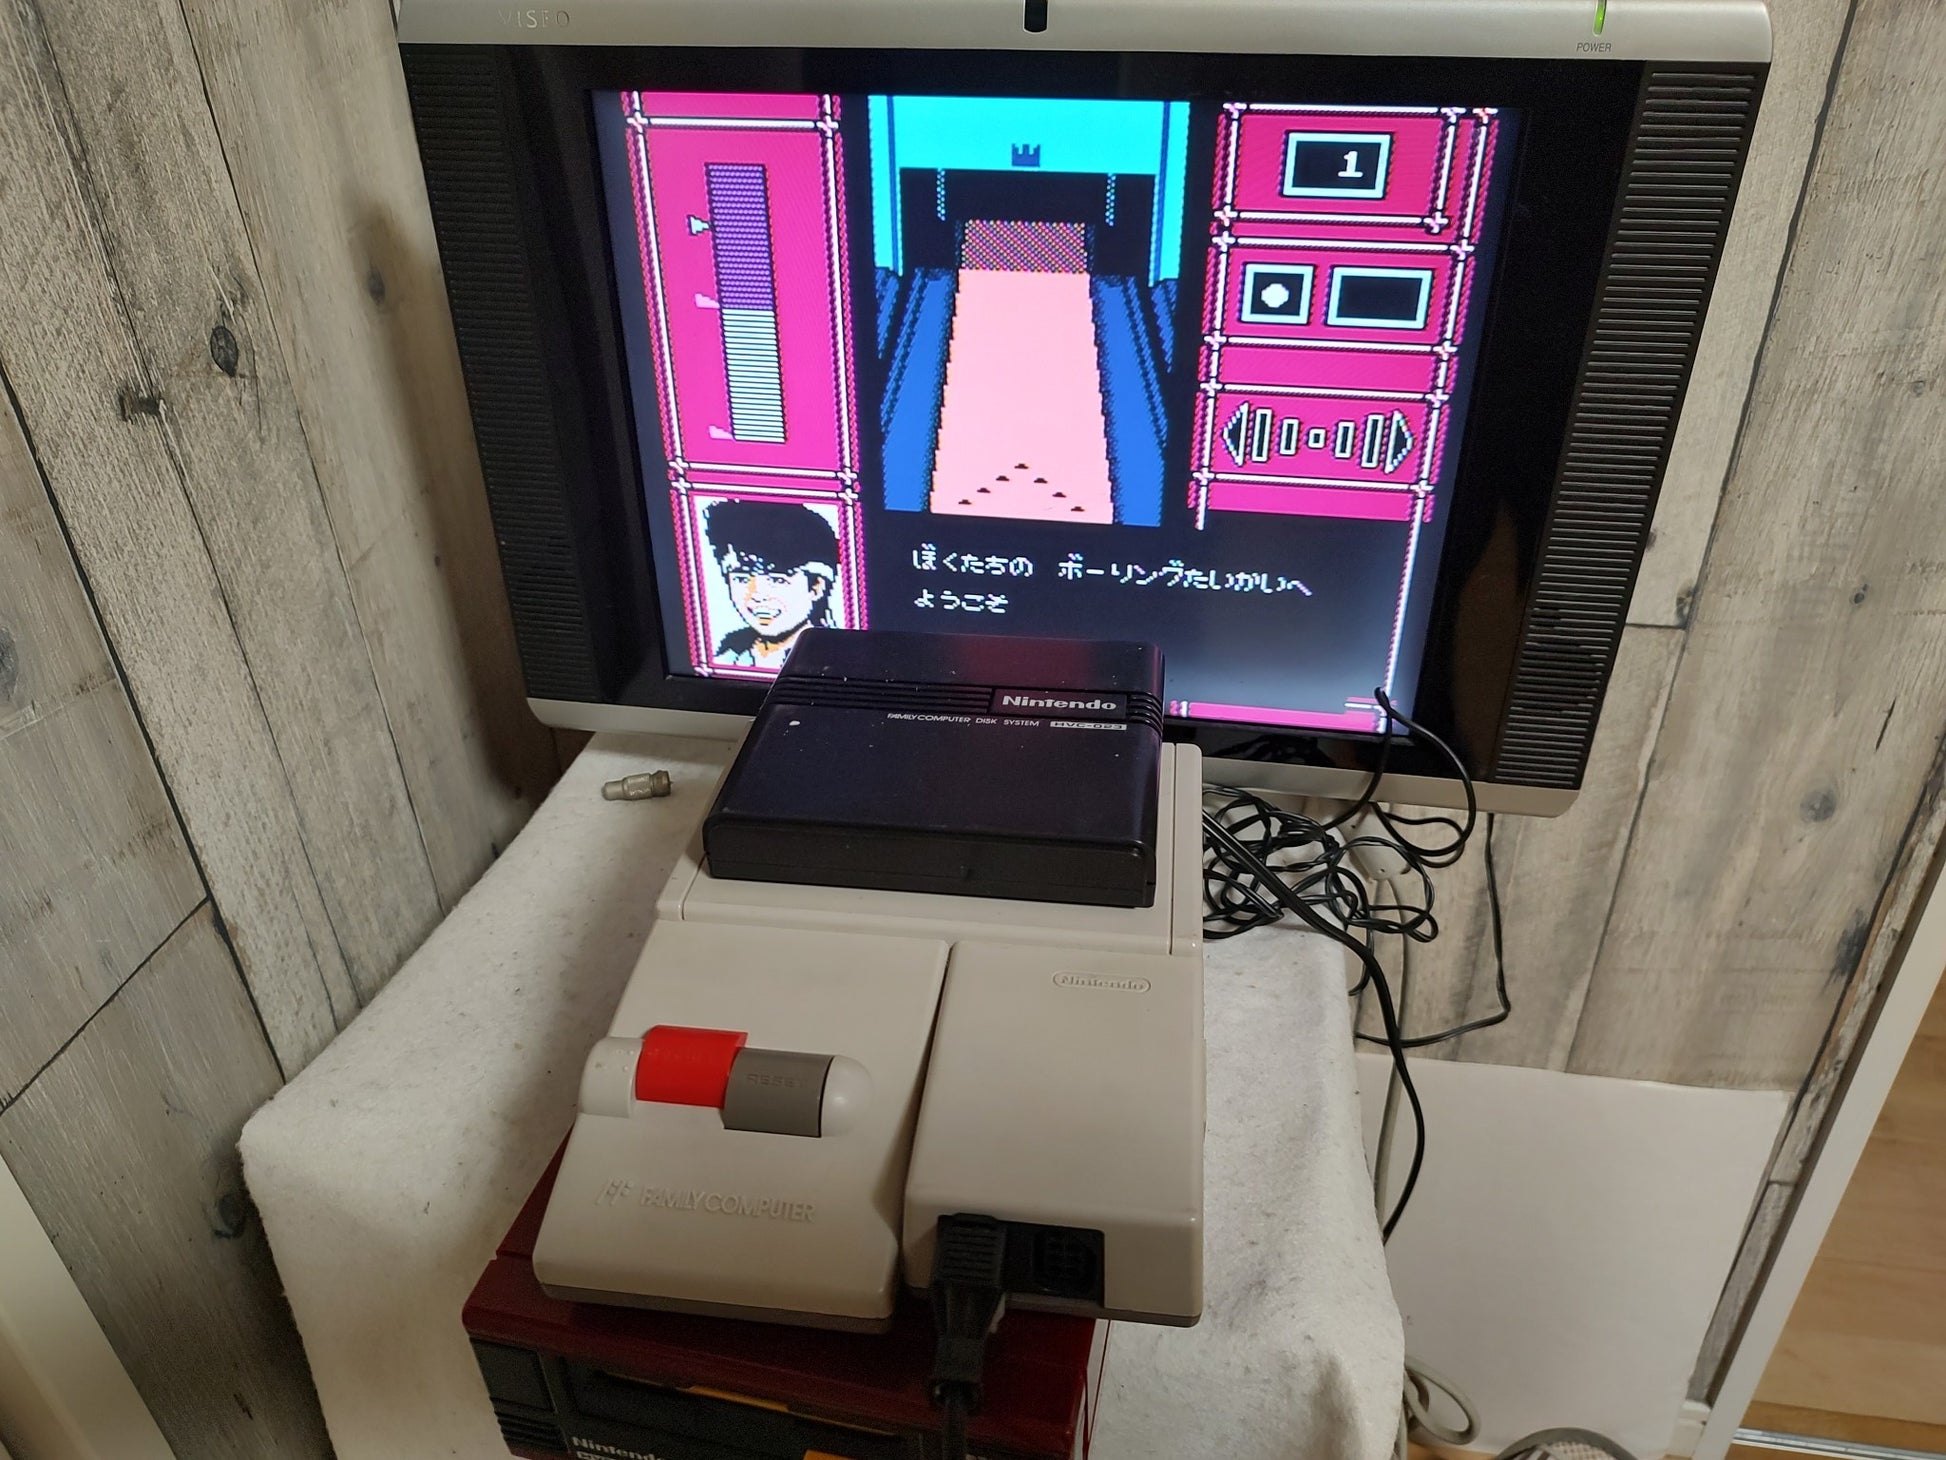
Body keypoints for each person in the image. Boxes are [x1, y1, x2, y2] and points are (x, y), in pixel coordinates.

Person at [703, 498, 841, 669]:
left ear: (816, 586)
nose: (757, 595)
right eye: (742, 579)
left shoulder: (836, 658)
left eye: (777, 580)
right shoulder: (727, 654)